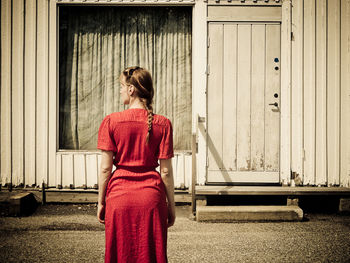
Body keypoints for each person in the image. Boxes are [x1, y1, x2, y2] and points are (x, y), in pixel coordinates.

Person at [97, 66, 176, 263]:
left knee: (120, 254)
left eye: (121, 86)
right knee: (150, 255)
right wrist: (171, 207)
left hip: (119, 199)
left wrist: (101, 202)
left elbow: (106, 168)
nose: (120, 91)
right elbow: (165, 172)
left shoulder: (111, 121)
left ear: (131, 89)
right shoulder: (163, 124)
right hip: (151, 200)